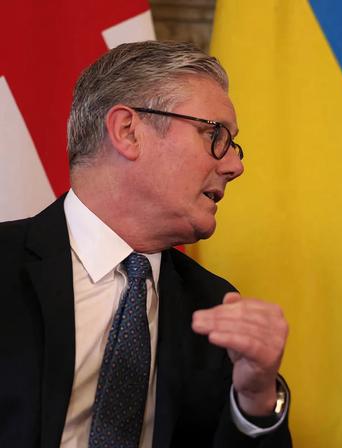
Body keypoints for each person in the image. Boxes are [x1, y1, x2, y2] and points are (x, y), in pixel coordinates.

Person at [0, 41, 291, 447]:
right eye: (215, 135)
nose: (235, 165)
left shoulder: (214, 305)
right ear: (128, 131)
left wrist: (256, 398)